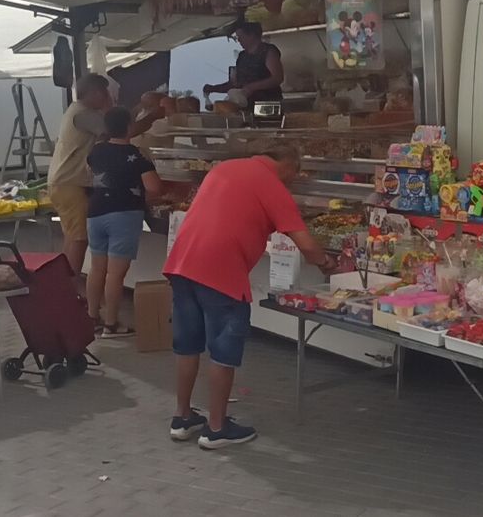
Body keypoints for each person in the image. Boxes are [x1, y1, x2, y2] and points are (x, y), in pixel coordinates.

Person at [163, 145, 334, 449]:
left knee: (187, 345)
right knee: (222, 350)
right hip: (221, 270)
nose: (295, 181)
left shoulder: (224, 168)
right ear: (289, 165)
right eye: (296, 175)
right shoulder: (272, 185)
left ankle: (182, 417)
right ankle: (216, 429)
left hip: (182, 263)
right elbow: (307, 245)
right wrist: (327, 263)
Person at [86, 107, 163, 337]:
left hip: (96, 211)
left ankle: (92, 317)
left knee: (97, 268)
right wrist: (140, 197)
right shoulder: (137, 155)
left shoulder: (96, 151)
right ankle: (111, 325)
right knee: (115, 274)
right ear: (129, 127)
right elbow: (154, 187)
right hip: (124, 215)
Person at [46, 74, 113, 276]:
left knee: (71, 236)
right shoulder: (84, 114)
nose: (108, 97)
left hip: (62, 182)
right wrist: (152, 116)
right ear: (94, 93)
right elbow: (118, 131)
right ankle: (71, 287)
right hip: (71, 183)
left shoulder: (76, 111)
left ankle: (65, 281)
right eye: (105, 93)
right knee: (79, 238)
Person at [202, 21, 284, 107]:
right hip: (245, 105)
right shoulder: (242, 56)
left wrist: (251, 87)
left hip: (267, 105)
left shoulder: (268, 51)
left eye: (240, 37)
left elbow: (277, 78)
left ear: (251, 35)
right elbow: (235, 84)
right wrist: (213, 88)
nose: (239, 40)